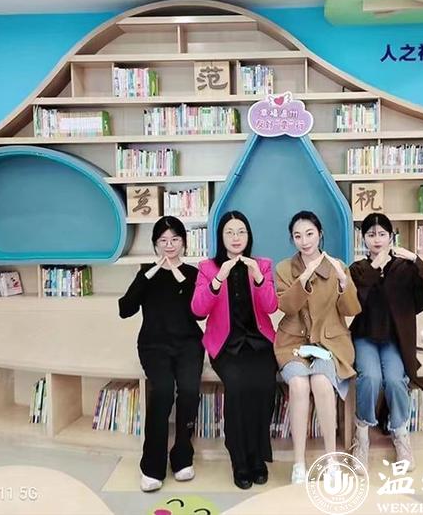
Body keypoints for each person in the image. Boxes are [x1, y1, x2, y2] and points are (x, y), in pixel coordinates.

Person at [191, 210, 279, 490]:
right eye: (229, 232)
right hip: (226, 345)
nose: (236, 237)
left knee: (265, 384)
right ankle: (239, 459)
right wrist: (218, 280)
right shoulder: (207, 268)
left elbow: (271, 307)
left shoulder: (262, 265)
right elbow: (198, 310)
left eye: (241, 231)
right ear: (221, 237)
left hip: (258, 342)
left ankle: (258, 456)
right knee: (238, 386)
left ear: (249, 236)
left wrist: (259, 278)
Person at [274, 210, 361, 484]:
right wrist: (303, 280)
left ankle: (331, 460)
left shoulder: (337, 266)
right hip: (293, 343)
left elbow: (351, 309)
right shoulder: (284, 269)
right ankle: (298, 463)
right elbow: (286, 306)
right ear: (292, 239)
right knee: (299, 385)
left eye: (310, 234)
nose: (305, 241)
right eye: (298, 236)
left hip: (329, 342)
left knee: (322, 382)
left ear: (320, 234)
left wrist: (344, 282)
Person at [118, 216, 205, 492]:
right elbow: (125, 309)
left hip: (189, 345)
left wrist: (180, 277)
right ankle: (152, 466)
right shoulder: (146, 273)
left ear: (184, 243)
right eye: (163, 240)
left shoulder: (193, 274)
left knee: (189, 391)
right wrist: (148, 275)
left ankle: (182, 457)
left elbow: (198, 314)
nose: (169, 245)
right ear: (155, 244)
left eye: (175, 239)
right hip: (154, 346)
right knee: (163, 391)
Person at [349, 212, 423, 474]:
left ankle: (400, 434)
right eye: (371, 234)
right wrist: (374, 270)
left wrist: (415, 259)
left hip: (394, 339)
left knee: (395, 380)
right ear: (363, 239)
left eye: (382, 234)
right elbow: (353, 303)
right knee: (370, 378)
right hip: (365, 336)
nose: (376, 239)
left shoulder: (404, 267)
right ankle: (361, 435)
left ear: (391, 237)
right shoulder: (358, 269)